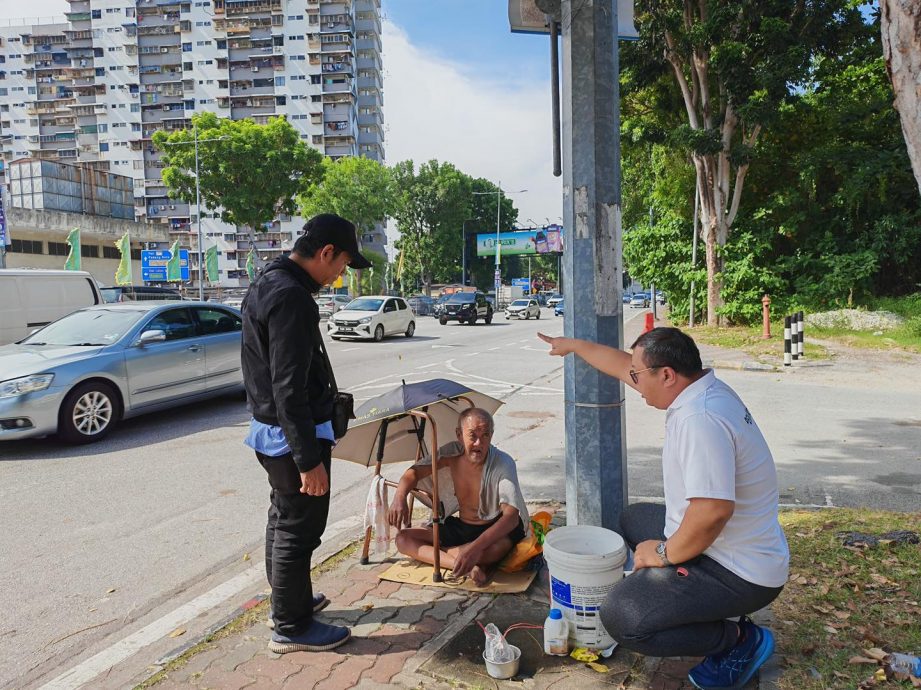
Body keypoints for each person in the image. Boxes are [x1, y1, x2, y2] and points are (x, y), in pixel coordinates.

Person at [537, 327, 789, 690]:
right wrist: (574, 346)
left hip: (740, 571)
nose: (634, 381)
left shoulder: (699, 420)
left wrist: (662, 554)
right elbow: (625, 365)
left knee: (623, 617)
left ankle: (737, 641)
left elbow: (713, 512)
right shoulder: (702, 389)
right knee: (634, 517)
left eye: (639, 376)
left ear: (667, 374)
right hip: (729, 547)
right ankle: (692, 600)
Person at [241, 213, 371, 654]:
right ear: (325, 253)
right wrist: (307, 460)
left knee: (283, 520)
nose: (338, 276)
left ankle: (290, 602)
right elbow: (287, 387)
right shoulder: (292, 297)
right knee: (300, 528)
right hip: (290, 437)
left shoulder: (268, 281)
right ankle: (291, 626)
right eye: (341, 266)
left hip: (272, 431)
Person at [387, 408, 529, 586]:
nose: (479, 443)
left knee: (493, 551)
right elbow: (413, 473)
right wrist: (399, 497)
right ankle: (466, 565)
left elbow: (511, 518)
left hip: (493, 528)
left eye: (485, 435)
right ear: (459, 435)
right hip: (462, 527)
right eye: (472, 436)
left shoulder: (503, 463)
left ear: (491, 436)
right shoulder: (451, 454)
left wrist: (475, 548)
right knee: (402, 539)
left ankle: (449, 554)